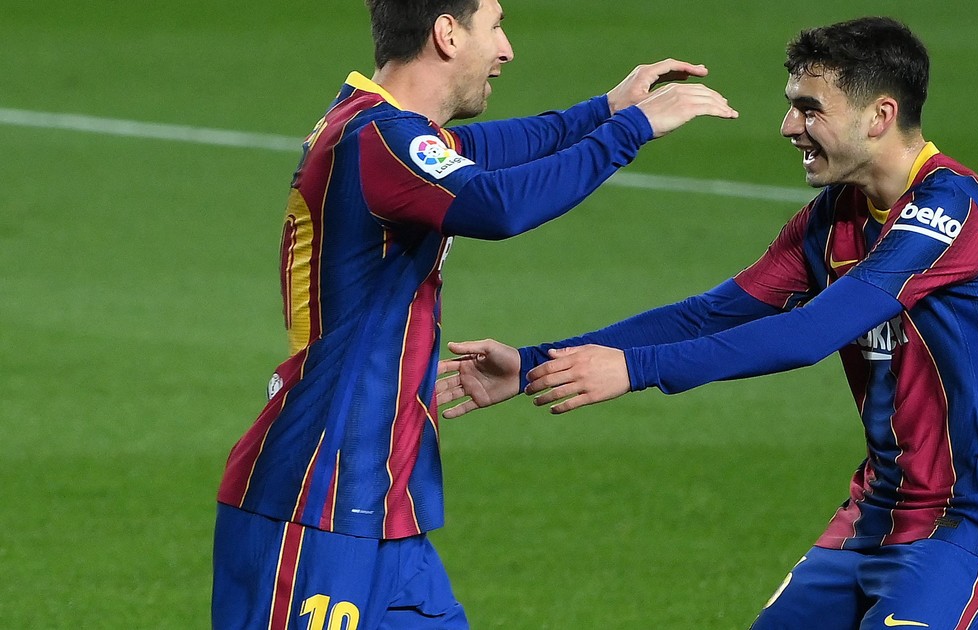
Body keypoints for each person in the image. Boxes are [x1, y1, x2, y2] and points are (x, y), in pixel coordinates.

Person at [436, 16, 978, 629]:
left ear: (880, 116)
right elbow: (710, 315)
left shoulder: (949, 212)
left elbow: (810, 333)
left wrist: (636, 368)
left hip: (966, 525)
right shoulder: (834, 216)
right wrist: (533, 365)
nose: (789, 127)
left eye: (810, 110)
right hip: (874, 516)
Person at [210, 0, 738, 626]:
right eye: (495, 25)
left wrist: (606, 109)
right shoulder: (377, 140)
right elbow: (497, 205)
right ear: (447, 34)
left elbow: (495, 148)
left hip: (385, 505)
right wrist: (633, 129)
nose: (506, 49)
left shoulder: (385, 131)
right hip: (317, 494)